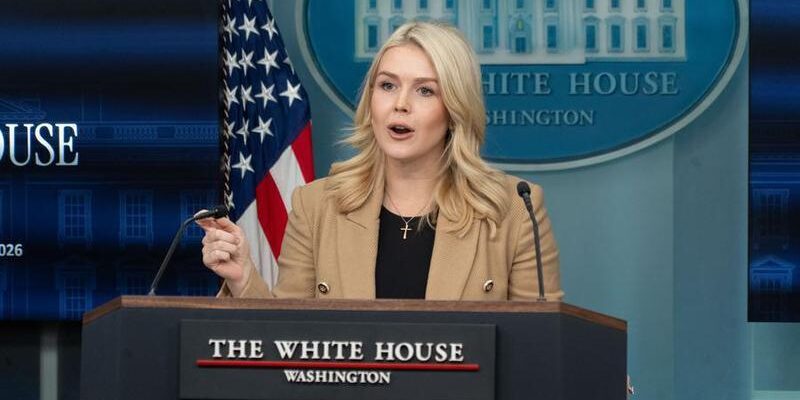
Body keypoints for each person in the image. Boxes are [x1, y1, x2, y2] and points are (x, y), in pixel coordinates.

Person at [199, 21, 563, 301]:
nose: (400, 104)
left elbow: (542, 344)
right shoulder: (317, 206)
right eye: (388, 85)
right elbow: (289, 340)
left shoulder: (514, 209)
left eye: (425, 90)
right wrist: (243, 278)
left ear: (455, 109)